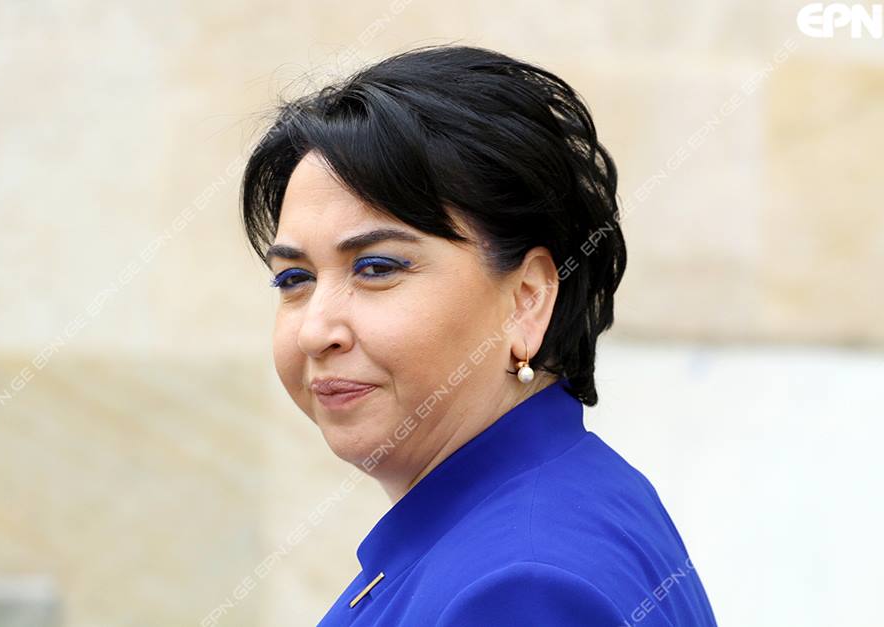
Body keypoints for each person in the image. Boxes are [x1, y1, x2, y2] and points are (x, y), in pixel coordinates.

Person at [239, 43, 717, 626]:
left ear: (527, 298)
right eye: (294, 279)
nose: (316, 331)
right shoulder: (546, 506)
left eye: (377, 268)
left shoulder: (521, 587)